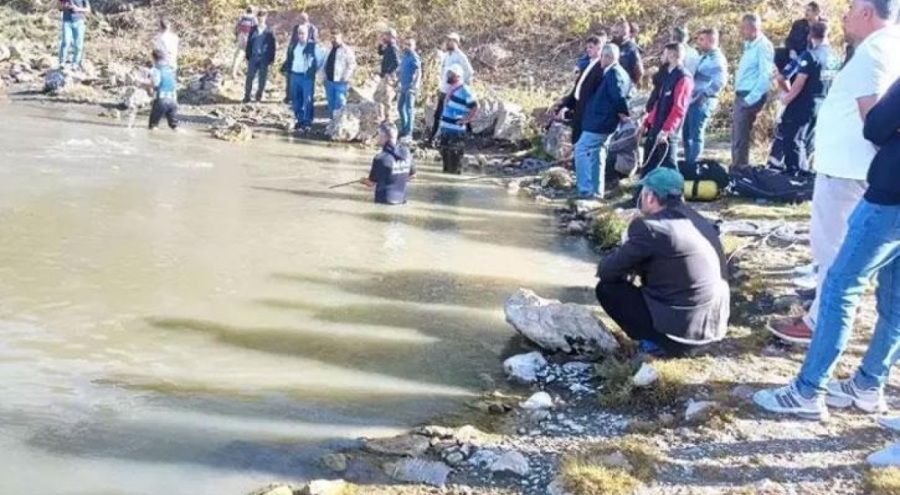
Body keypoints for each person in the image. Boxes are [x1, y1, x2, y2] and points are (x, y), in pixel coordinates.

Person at [753, 74, 900, 421]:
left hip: (889, 196)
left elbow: (876, 127)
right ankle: (868, 384)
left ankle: (809, 389)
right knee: (894, 298)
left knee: (841, 285)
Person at [767, 0, 900, 344]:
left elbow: (875, 119)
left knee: (832, 250)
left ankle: (817, 324)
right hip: (857, 169)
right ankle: (829, 315)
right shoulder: (889, 44)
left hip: (847, 170)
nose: (845, 15)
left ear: (868, 13)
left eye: (852, 9)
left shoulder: (873, 52)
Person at [596, 167, 730, 357]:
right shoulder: (697, 219)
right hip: (714, 329)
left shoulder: (649, 227)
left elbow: (606, 271)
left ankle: (654, 343)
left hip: (680, 337)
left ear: (650, 197)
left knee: (607, 289)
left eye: (642, 193)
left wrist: (626, 242)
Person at [766, 22, 840, 174]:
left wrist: (787, 98)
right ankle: (805, 171)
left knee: (793, 139)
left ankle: (797, 174)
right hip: (823, 103)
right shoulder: (834, 56)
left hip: (803, 103)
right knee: (808, 140)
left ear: (810, 35)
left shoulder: (810, 55)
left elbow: (796, 81)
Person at [572, 43, 631, 199]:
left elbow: (618, 97)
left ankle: (585, 190)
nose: (600, 61)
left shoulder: (614, 74)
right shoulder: (619, 72)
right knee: (598, 153)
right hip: (603, 121)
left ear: (607, 57)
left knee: (581, 149)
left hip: (600, 122)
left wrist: (623, 113)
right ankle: (597, 192)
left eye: (602, 57)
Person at [641, 43, 693, 178]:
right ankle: (641, 197)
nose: (661, 57)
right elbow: (658, 102)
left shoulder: (683, 78)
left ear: (672, 55)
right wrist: (647, 122)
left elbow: (678, 108)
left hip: (668, 130)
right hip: (656, 125)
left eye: (664, 54)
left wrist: (666, 130)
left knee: (668, 166)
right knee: (648, 164)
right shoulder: (665, 75)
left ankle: (674, 197)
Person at [731, 14, 774, 168]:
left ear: (752, 28)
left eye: (743, 28)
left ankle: (740, 171)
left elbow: (765, 76)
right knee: (736, 135)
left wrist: (749, 100)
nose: (741, 31)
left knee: (741, 137)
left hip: (749, 96)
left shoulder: (763, 46)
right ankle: (736, 169)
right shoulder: (749, 46)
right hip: (741, 94)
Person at [683, 28, 728, 168]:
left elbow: (720, 81)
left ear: (711, 40)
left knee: (695, 134)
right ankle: (687, 162)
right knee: (687, 133)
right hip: (692, 99)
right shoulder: (704, 56)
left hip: (702, 100)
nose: (699, 43)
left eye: (702, 40)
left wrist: (705, 94)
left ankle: (692, 165)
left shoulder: (717, 59)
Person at [552, 35, 607, 147]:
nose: (588, 50)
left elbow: (595, 93)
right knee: (576, 140)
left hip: (588, 111)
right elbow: (578, 88)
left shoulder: (601, 68)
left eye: (591, 47)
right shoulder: (589, 64)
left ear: (599, 48)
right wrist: (566, 105)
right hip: (578, 107)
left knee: (582, 143)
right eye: (587, 47)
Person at [428, 33, 475, 145]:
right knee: (438, 114)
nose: (448, 43)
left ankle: (468, 134)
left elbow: (470, 72)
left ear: (457, 42)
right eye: (447, 40)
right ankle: (433, 137)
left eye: (451, 41)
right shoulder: (447, 55)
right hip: (444, 89)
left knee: (457, 113)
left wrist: (462, 87)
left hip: (455, 90)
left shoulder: (460, 56)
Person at [438, 65, 479, 174]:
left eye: (451, 74)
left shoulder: (465, 89)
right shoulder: (450, 89)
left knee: (455, 162)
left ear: (458, 76)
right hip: (446, 130)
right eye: (448, 74)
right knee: (445, 162)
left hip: (456, 131)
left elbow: (475, 106)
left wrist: (465, 120)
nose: (448, 76)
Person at [362, 122, 417, 205]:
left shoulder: (380, 158)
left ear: (385, 137)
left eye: (379, 134)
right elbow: (413, 175)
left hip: (384, 202)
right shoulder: (406, 152)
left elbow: (371, 183)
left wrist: (362, 180)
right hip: (402, 202)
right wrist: (396, 179)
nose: (378, 137)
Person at [284, 26, 324, 132]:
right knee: (296, 99)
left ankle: (307, 122)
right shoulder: (294, 46)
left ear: (308, 34)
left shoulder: (313, 46)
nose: (301, 35)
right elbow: (289, 59)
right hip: (295, 75)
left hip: (307, 77)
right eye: (299, 33)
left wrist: (313, 70)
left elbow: (320, 60)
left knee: (308, 99)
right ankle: (299, 120)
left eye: (303, 33)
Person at [283, 13, 319, 104]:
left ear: (307, 19)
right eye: (300, 19)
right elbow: (292, 41)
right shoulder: (296, 27)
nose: (301, 20)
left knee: (308, 77)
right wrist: (290, 52)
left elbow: (314, 42)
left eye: (303, 19)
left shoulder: (313, 28)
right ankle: (289, 96)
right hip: (296, 52)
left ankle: (308, 97)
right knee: (291, 76)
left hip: (307, 53)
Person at [778, 1, 824, 70]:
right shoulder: (798, 24)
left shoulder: (822, 26)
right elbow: (789, 40)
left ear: (816, 12)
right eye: (805, 10)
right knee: (778, 53)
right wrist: (791, 49)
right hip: (796, 55)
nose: (806, 12)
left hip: (813, 57)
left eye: (808, 10)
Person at [243, 11, 276, 104]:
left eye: (262, 17)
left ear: (266, 17)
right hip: (253, 57)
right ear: (257, 18)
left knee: (262, 78)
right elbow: (249, 43)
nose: (261, 19)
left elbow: (272, 46)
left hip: (264, 58)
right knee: (249, 77)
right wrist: (247, 55)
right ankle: (247, 96)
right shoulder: (253, 29)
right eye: (259, 17)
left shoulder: (270, 30)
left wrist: (272, 58)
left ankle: (259, 96)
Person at [323, 29, 357, 119]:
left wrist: (346, 76)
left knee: (340, 103)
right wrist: (323, 76)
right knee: (331, 103)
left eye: (335, 37)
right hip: (329, 81)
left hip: (340, 81)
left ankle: (340, 124)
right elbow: (324, 63)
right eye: (332, 37)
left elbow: (352, 64)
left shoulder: (346, 50)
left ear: (340, 37)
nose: (333, 40)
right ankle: (332, 123)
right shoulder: (328, 49)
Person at [147, 48, 178, 131]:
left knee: (153, 127)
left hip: (161, 101)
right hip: (173, 101)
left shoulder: (155, 69)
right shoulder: (170, 69)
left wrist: (145, 86)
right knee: (174, 126)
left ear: (153, 58)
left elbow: (154, 84)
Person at [397, 37, 421, 142]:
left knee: (409, 109)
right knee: (400, 107)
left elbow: (418, 72)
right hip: (403, 86)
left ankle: (409, 133)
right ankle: (404, 128)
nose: (407, 46)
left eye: (410, 45)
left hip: (410, 87)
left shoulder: (414, 57)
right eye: (406, 44)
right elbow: (401, 71)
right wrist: (397, 82)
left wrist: (414, 86)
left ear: (414, 46)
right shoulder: (404, 56)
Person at [376, 29, 401, 121]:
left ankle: (388, 119)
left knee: (387, 99)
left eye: (386, 36)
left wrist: (388, 73)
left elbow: (398, 63)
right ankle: (383, 117)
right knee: (379, 97)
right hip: (384, 77)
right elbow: (380, 52)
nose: (384, 37)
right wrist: (381, 43)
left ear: (391, 37)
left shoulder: (394, 49)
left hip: (389, 78)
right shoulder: (388, 47)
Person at [58, 0, 91, 69]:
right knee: (66, 41)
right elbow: (59, 7)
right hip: (66, 21)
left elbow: (88, 9)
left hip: (79, 22)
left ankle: (75, 64)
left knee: (78, 45)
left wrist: (78, 9)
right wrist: (64, 6)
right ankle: (62, 62)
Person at [612, 20, 644, 87]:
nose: (614, 35)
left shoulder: (631, 49)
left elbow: (639, 71)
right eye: (614, 32)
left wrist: (631, 85)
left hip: (625, 85)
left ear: (625, 33)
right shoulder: (611, 45)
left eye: (617, 32)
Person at [232, 7, 256, 78]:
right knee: (247, 55)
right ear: (253, 11)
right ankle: (246, 72)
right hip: (248, 37)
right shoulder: (253, 18)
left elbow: (236, 27)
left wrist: (236, 36)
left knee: (237, 54)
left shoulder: (242, 17)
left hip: (241, 36)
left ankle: (235, 70)